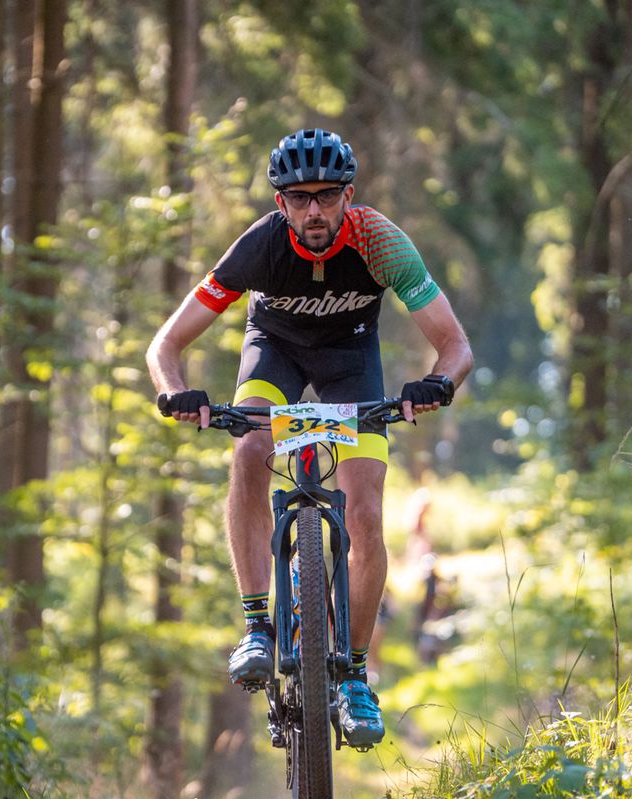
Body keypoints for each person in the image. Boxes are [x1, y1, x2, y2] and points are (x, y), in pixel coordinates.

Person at [146, 128, 473, 747]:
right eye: (299, 198)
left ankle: (354, 676)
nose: (314, 210)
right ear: (281, 203)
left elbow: (456, 346)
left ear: (349, 195)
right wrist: (173, 390)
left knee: (366, 512)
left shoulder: (381, 242)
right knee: (250, 447)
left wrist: (438, 383)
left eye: (326, 195)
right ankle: (257, 626)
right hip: (275, 354)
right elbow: (165, 344)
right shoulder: (261, 246)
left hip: (352, 364)